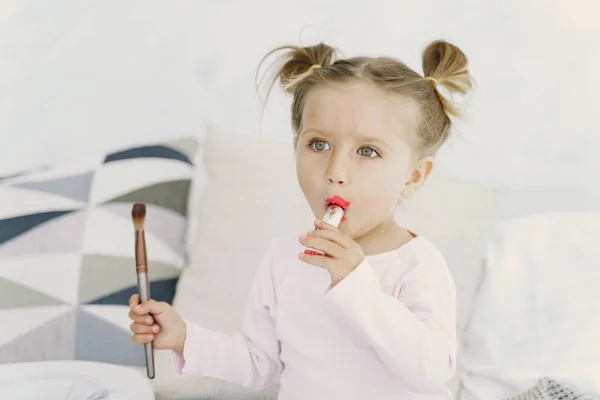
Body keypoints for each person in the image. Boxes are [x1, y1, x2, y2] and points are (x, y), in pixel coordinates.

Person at [128, 39, 474, 400]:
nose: (335, 171)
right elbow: (259, 362)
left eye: (367, 151)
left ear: (413, 177)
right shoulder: (284, 259)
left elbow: (431, 370)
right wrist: (184, 338)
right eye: (319, 144)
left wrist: (356, 283)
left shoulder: (417, 264)